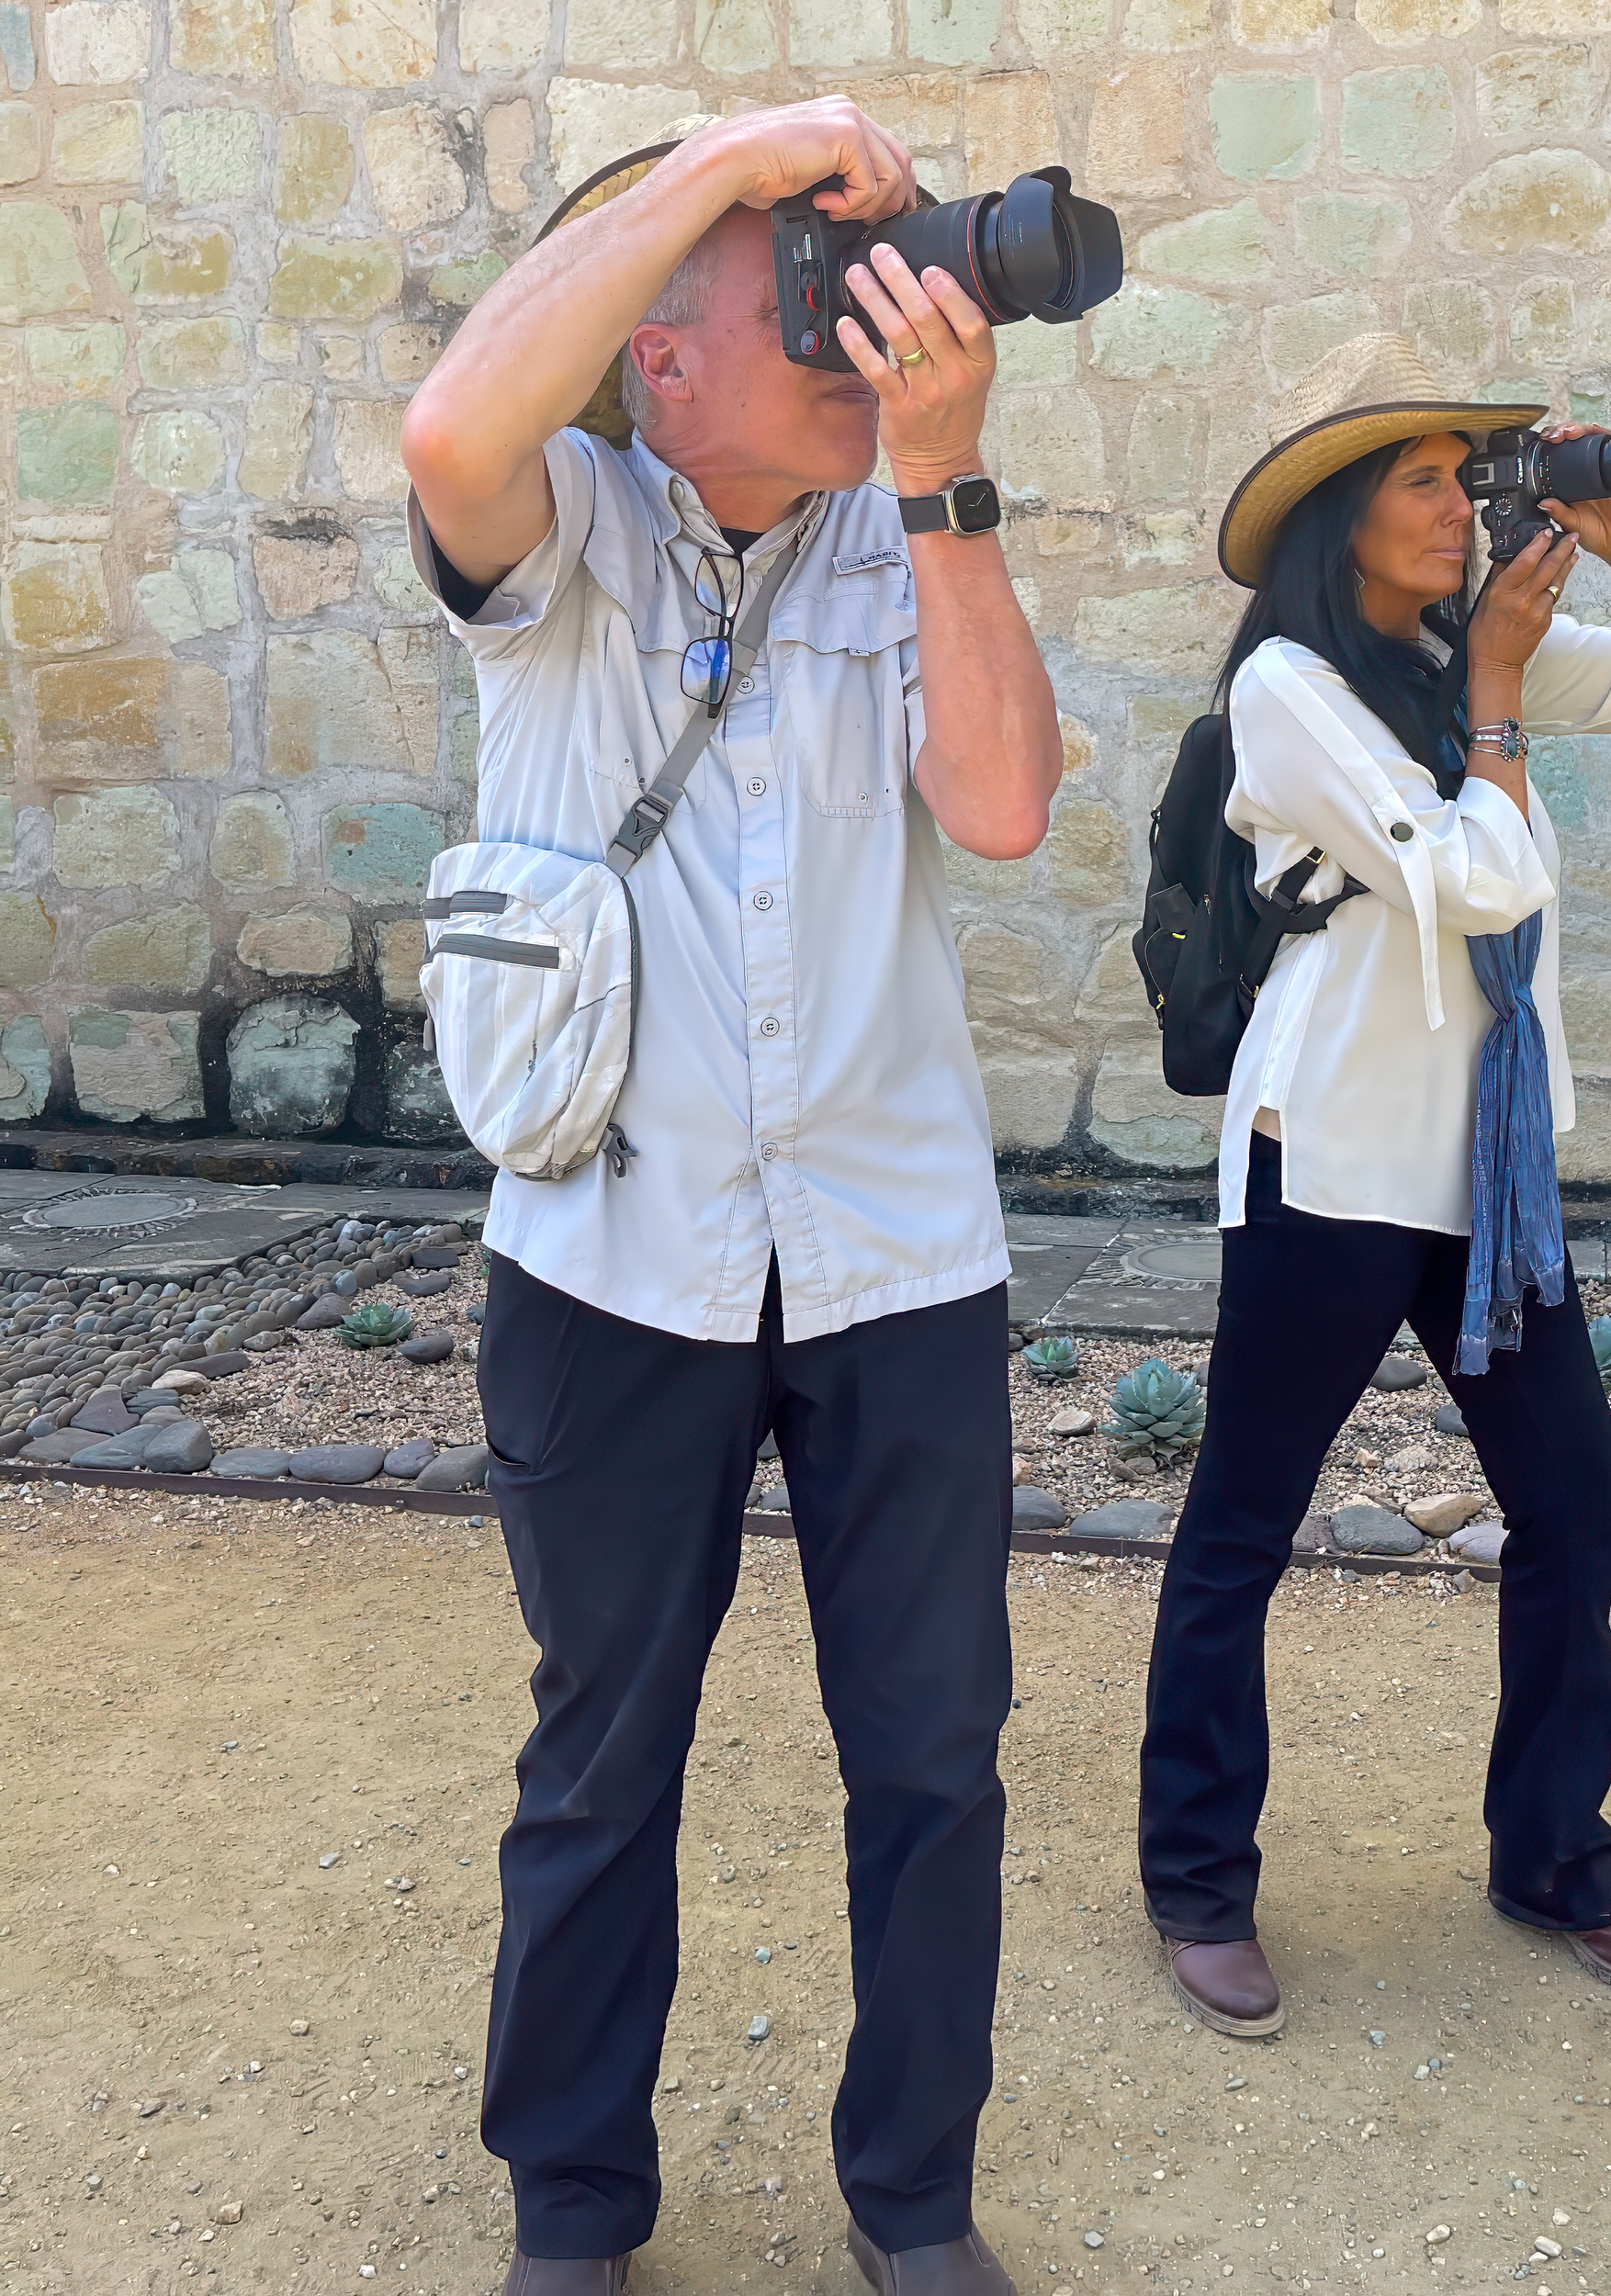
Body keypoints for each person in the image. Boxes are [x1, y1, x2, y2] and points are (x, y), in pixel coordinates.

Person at [398, 99, 1061, 2296]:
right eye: (795, 298)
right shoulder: (566, 526)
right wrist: (729, 165)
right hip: (612, 1250)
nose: (851, 322)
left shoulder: (905, 526)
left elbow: (1000, 801)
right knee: (601, 1754)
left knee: (936, 1759)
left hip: (892, 1255)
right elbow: (445, 424)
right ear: (664, 358)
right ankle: (572, 2203)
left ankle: (915, 2200)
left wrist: (944, 480)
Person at [1134, 334, 1611, 2039]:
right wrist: (1500, 681)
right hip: (1333, 1160)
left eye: (1466, 481)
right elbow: (1479, 887)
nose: (1457, 510)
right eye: (1424, 482)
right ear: (1341, 518)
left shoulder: (1450, 656)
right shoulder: (1293, 693)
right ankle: (1198, 1877)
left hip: (1485, 1177)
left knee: (1569, 1499)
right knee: (1244, 1524)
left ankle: (1555, 1859)